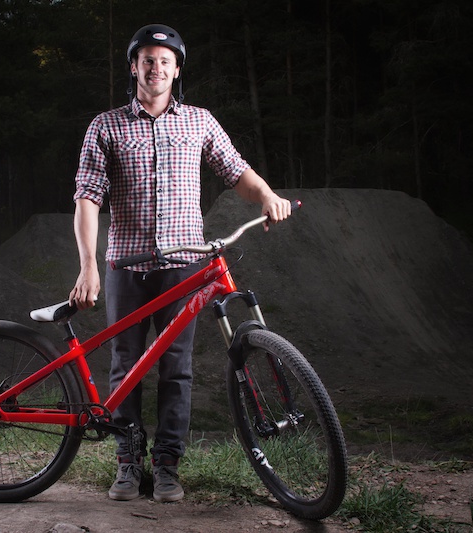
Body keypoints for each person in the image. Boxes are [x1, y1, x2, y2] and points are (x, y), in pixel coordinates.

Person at [69, 23, 293, 503]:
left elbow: (236, 171)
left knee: (176, 368)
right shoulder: (106, 126)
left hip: (183, 264)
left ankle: (167, 466)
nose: (156, 68)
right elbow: (87, 198)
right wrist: (88, 265)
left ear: (176, 70)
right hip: (126, 266)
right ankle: (128, 464)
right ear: (134, 67)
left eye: (164, 61)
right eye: (147, 60)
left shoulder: (199, 122)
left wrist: (267, 196)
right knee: (126, 367)